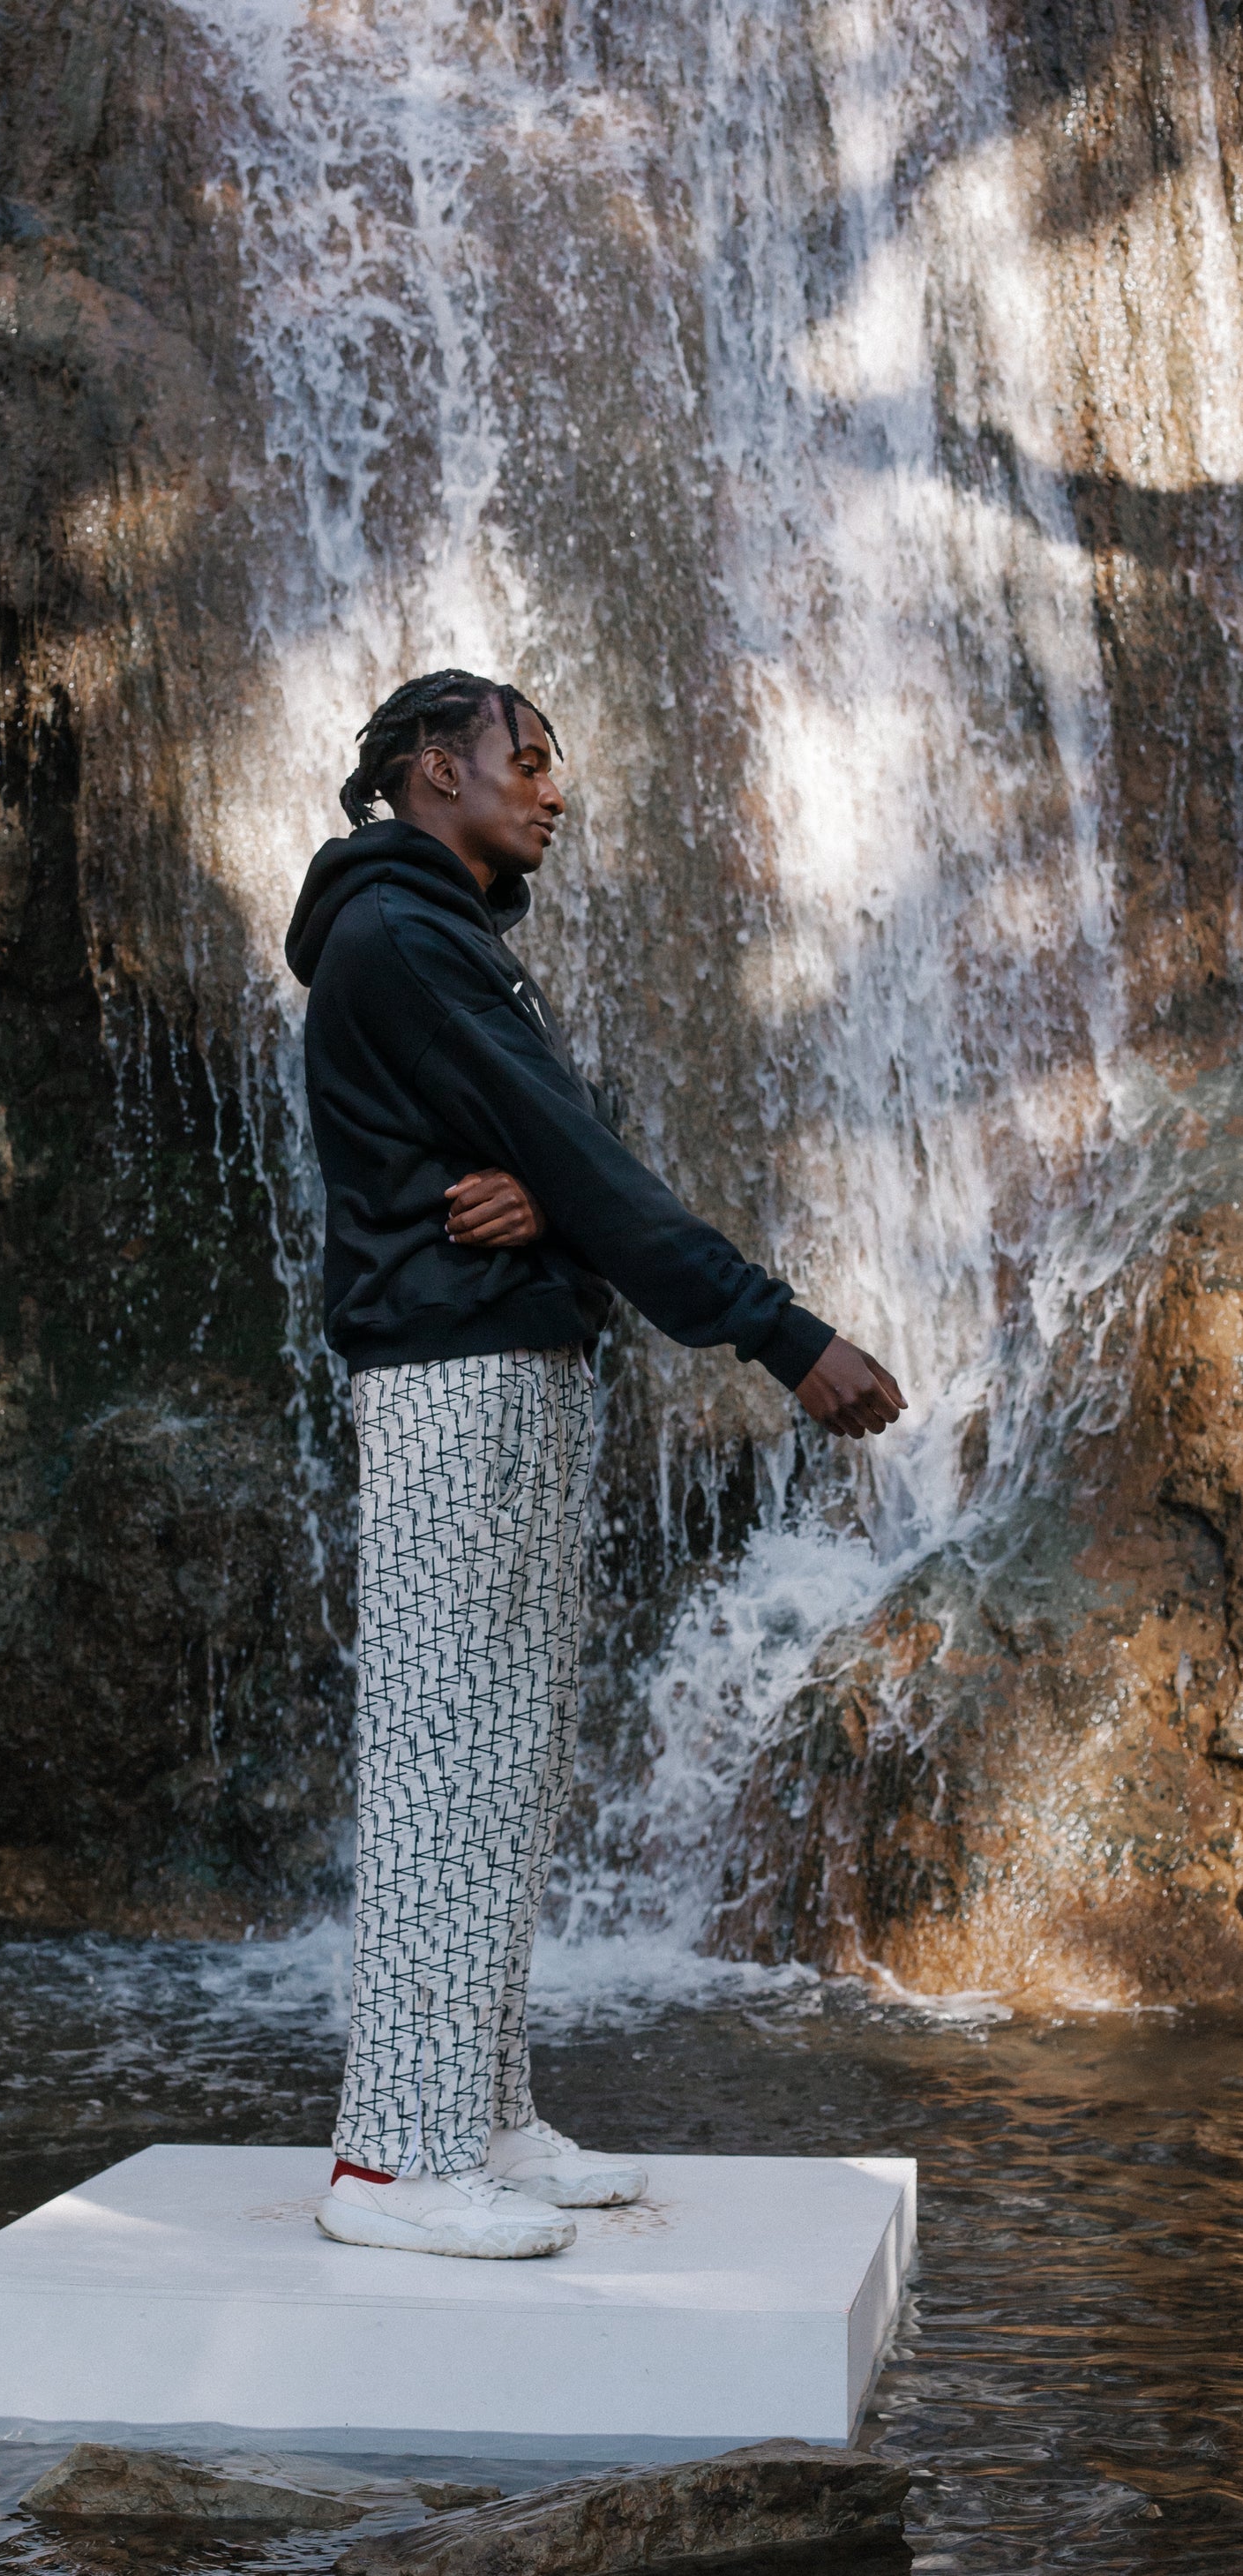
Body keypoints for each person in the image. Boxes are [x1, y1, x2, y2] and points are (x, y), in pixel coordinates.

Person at [284, 671, 904, 2262]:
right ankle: (389, 2168)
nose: (554, 793)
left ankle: (476, 2113)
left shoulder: (448, 940)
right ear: (439, 772)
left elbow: (555, 1155)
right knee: (442, 1760)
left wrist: (549, 1201)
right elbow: (580, 1155)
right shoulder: (406, 936)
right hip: (451, 1374)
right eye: (530, 762)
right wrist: (779, 1335)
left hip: (505, 1361)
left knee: (500, 1756)